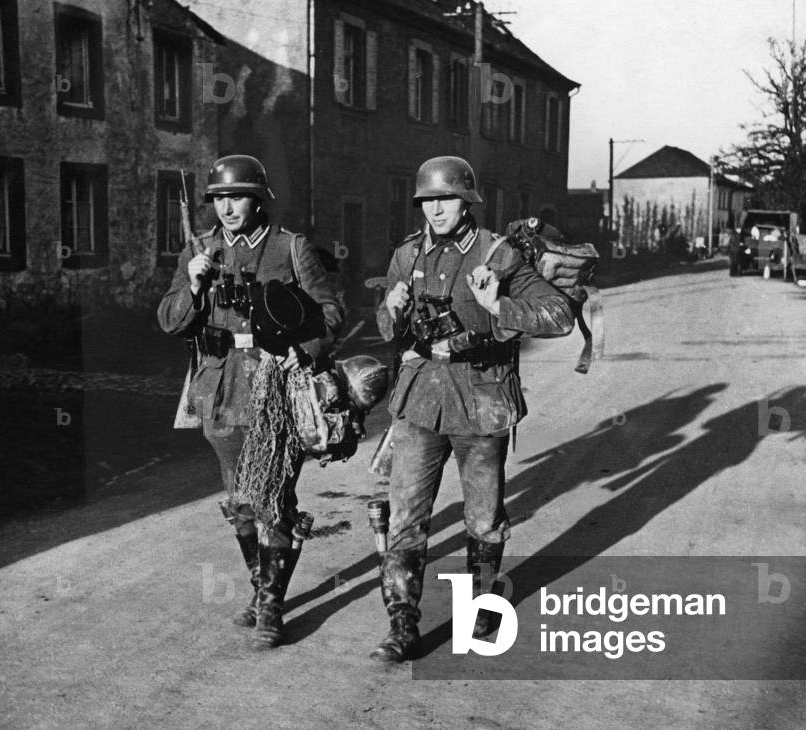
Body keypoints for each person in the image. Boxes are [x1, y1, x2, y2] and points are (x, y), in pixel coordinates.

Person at [370, 155, 574, 662]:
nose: (436, 209)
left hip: (481, 404)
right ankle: (402, 626)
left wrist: (496, 307)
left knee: (482, 519)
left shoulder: (497, 254)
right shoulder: (407, 254)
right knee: (405, 518)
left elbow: (559, 315)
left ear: (467, 201)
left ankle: (482, 611)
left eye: (446, 198)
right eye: (428, 200)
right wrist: (390, 311)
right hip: (419, 402)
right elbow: (388, 330)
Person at [158, 155, 343, 650]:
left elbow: (330, 313)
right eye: (219, 198)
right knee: (240, 503)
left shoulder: (290, 247)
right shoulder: (199, 249)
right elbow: (171, 320)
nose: (227, 207)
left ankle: (271, 607)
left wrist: (299, 354)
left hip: (276, 388)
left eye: (236, 196)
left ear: (258, 199)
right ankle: (262, 588)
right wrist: (194, 285)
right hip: (219, 390)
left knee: (273, 500)